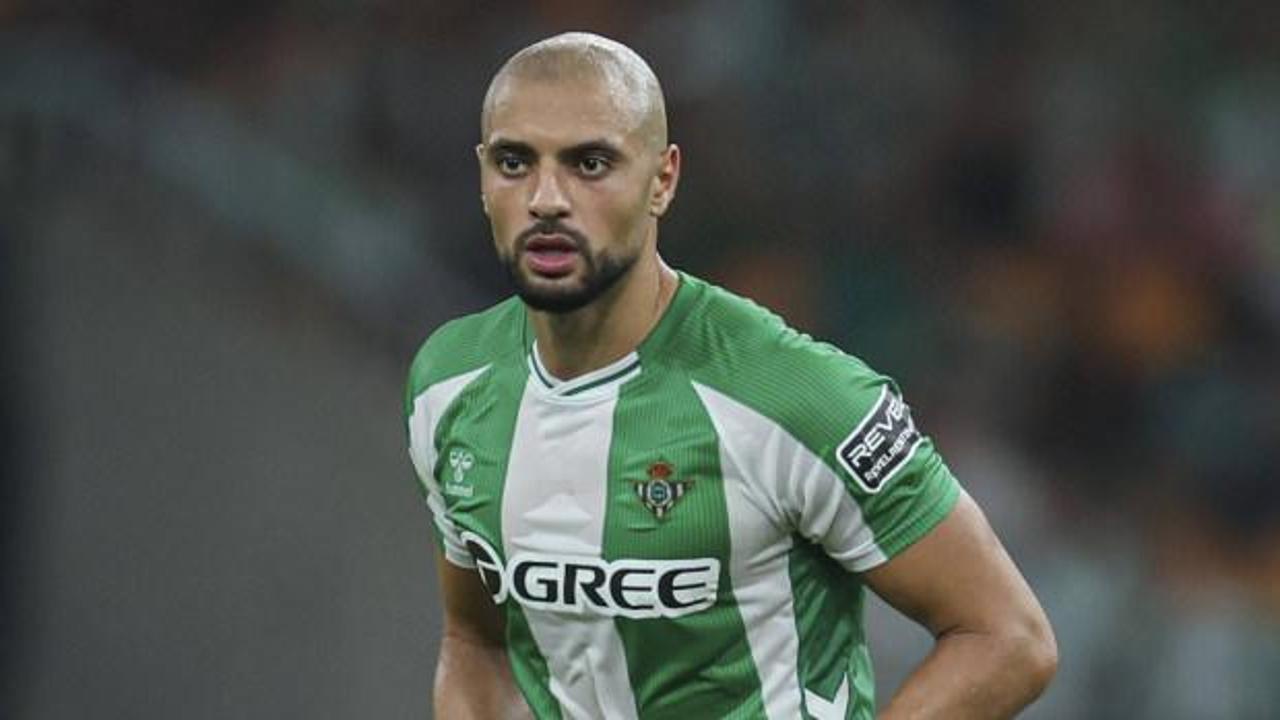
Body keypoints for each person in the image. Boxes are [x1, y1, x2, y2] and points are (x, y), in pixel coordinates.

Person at [405, 32, 1056, 719]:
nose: (546, 199)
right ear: (483, 177)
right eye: (514, 162)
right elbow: (477, 641)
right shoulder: (447, 384)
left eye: (590, 163)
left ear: (662, 180)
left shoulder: (795, 395)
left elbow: (1009, 637)